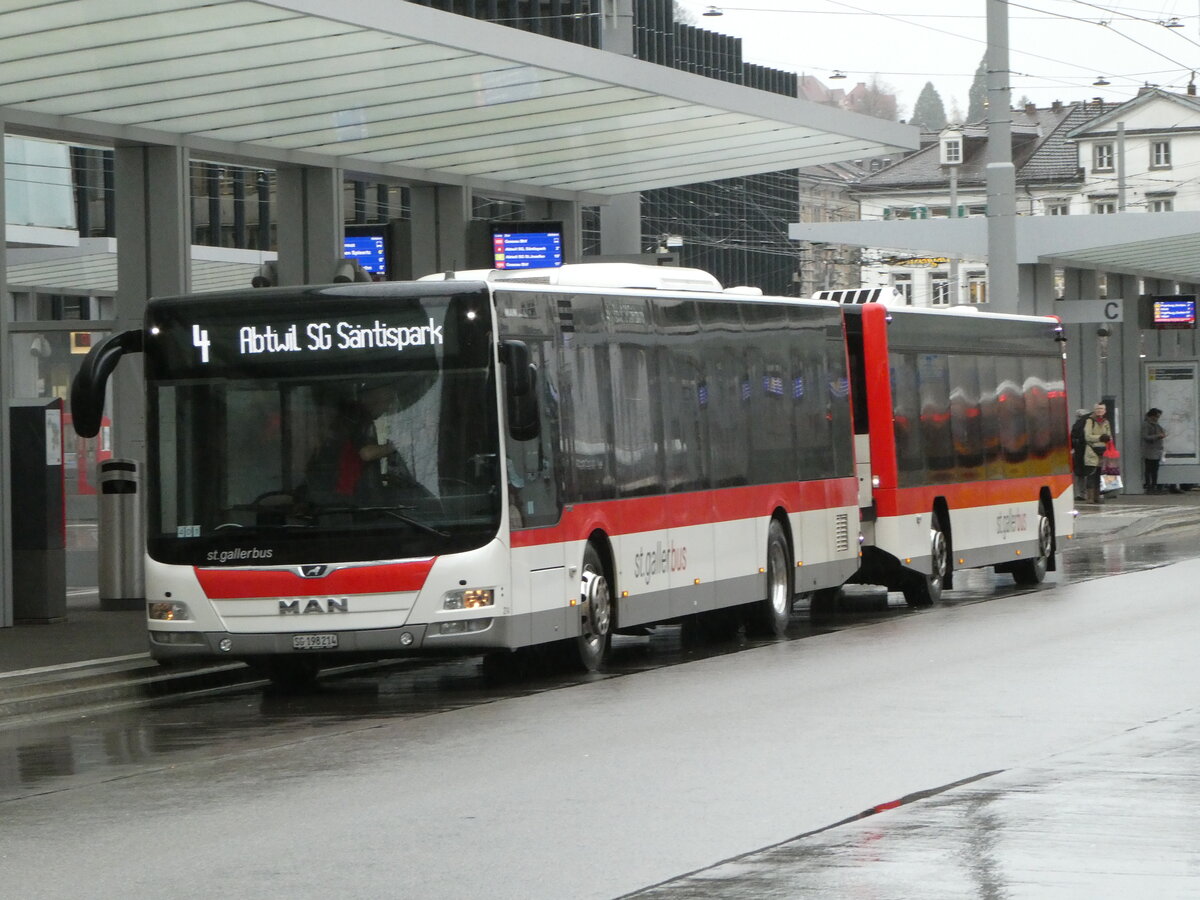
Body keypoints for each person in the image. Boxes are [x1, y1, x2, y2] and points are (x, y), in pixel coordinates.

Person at [1082, 402, 1113, 503]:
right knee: (1091, 474)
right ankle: (1090, 497)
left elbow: (1109, 436)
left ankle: (1097, 496)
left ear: (1105, 411)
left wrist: (1107, 439)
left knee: (1100, 475)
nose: (1100, 410)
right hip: (1092, 451)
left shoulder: (1106, 422)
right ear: (1094, 410)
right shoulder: (1090, 421)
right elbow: (1087, 436)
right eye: (1098, 408)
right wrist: (1100, 438)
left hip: (1103, 451)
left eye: (1102, 409)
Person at [1142, 407, 1166, 494]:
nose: (1157, 418)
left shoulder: (1156, 424)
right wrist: (1158, 436)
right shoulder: (1146, 424)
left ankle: (1154, 486)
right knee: (1149, 470)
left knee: (1155, 470)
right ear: (1151, 416)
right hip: (1150, 450)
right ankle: (1149, 486)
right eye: (1156, 416)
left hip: (1157, 450)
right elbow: (1145, 437)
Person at [1070, 408, 1091, 500]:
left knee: (1079, 474)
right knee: (1090, 473)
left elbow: (1072, 439)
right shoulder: (1090, 423)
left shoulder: (1076, 425)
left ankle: (1080, 494)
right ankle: (1089, 494)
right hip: (1089, 451)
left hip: (1078, 452)